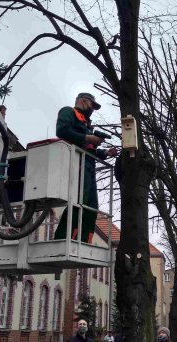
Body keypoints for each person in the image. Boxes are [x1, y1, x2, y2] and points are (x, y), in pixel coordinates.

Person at [53, 93, 117, 243]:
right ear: (82, 101)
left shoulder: (87, 124)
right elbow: (61, 131)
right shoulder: (69, 112)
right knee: (78, 202)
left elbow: (90, 149)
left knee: (92, 206)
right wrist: (87, 137)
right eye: (91, 105)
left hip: (88, 166)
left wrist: (105, 152)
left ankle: (83, 241)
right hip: (76, 163)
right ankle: (64, 239)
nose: (93, 109)